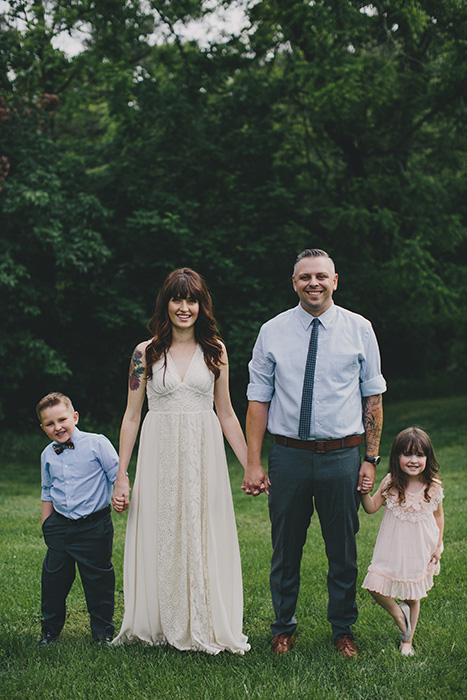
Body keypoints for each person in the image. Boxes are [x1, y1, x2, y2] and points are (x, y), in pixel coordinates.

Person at [243, 248, 387, 658]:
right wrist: (254, 462)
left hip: (343, 455)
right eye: (305, 277)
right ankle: (282, 629)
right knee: (285, 547)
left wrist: (370, 459)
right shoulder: (272, 331)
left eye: (321, 276)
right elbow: (258, 399)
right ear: (294, 283)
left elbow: (372, 398)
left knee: (342, 549)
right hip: (288, 455)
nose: (314, 283)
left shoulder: (360, 329)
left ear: (335, 280)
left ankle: (343, 629)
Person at [111, 268, 250, 654]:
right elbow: (131, 415)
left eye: (192, 300)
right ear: (166, 303)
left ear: (201, 305)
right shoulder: (145, 352)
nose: (184, 307)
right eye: (177, 299)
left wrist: (249, 464)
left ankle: (202, 616)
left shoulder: (216, 350)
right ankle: (159, 619)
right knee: (161, 528)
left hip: (203, 451)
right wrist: (122, 475)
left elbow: (226, 413)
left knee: (202, 527)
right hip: (159, 450)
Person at [37, 392, 119, 646]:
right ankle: (50, 630)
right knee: (53, 581)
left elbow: (117, 475)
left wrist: (122, 495)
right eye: (50, 424)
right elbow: (47, 491)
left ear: (75, 417)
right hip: (60, 526)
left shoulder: (97, 443)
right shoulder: (47, 455)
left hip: (94, 525)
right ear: (43, 428)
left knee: (98, 580)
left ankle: (102, 632)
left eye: (62, 419)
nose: (57, 427)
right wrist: (46, 525)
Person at [361, 427, 444, 656]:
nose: (414, 460)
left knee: (412, 595)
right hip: (392, 548)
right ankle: (400, 615)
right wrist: (363, 493)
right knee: (374, 585)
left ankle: (407, 641)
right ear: (397, 457)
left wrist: (437, 546)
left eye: (420, 455)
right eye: (407, 454)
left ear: (428, 458)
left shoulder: (433, 486)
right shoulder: (390, 482)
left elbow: (438, 516)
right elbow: (371, 508)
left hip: (420, 547)